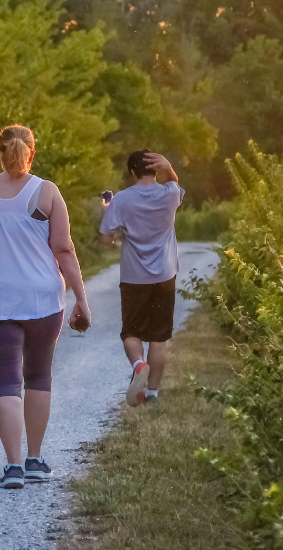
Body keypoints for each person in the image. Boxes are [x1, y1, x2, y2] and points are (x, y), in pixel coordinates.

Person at [0, 124, 93, 489]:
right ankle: (34, 460)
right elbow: (63, 249)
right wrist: (81, 297)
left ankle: (13, 466)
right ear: (31, 151)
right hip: (42, 299)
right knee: (37, 377)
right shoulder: (47, 192)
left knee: (5, 382)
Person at [99, 150, 184, 406]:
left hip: (134, 277)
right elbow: (176, 183)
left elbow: (106, 240)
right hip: (165, 275)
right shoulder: (170, 194)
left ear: (132, 172)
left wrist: (110, 215)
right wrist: (169, 168)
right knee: (159, 336)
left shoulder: (121, 200)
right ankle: (152, 394)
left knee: (132, 332)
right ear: (155, 170)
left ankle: (138, 365)